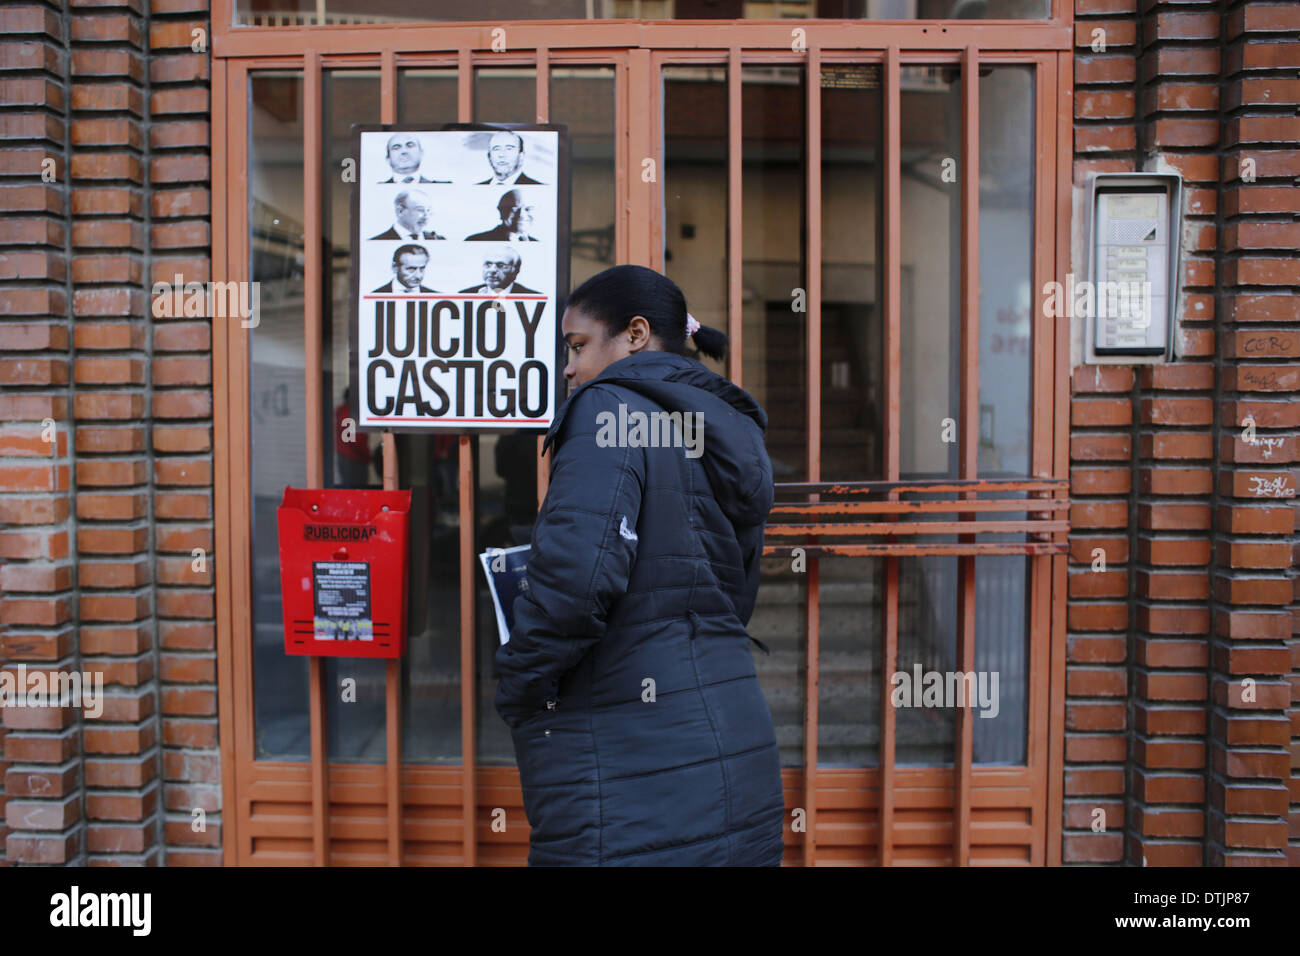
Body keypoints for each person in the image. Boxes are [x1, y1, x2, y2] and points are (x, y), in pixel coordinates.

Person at [493, 264, 785, 866]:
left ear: (635, 334)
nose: (569, 368)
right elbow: (736, 592)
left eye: (577, 347)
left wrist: (519, 686)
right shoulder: (723, 424)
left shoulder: (609, 409)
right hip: (735, 743)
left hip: (627, 763)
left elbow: (576, 584)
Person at [465, 189, 539, 242]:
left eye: (528, 209)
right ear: (501, 211)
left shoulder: (537, 243)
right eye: (514, 209)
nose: (521, 215)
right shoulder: (476, 240)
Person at [458, 245, 538, 294]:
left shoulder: (532, 296)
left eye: (500, 265)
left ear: (515, 271)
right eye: (488, 264)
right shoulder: (465, 295)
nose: (492, 270)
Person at [369, 189, 445, 241]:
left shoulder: (438, 239)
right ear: (400, 211)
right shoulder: (379, 240)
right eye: (420, 209)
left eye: (428, 210)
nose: (426, 216)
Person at [475, 130, 543, 185]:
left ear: (521, 156)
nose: (501, 155)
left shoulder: (538, 187)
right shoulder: (476, 187)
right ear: (489, 157)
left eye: (509, 149)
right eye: (496, 149)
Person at [378, 133, 448, 184]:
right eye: (396, 148)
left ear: (421, 153)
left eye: (410, 145)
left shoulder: (444, 187)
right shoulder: (376, 190)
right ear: (388, 158)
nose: (404, 151)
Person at [371, 244, 439, 294]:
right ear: (395, 267)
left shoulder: (436, 295)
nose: (418, 276)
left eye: (422, 269)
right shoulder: (374, 294)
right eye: (411, 269)